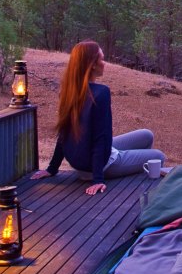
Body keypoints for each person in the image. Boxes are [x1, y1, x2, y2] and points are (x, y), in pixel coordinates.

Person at [31, 40, 165, 196]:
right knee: (159, 156)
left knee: (146, 135)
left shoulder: (68, 92)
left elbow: (64, 134)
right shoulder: (101, 93)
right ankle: (126, 170)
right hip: (102, 165)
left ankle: (129, 163)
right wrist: (98, 179)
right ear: (92, 65)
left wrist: (51, 169)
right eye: (102, 59)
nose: (104, 63)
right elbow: (101, 138)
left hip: (84, 159)